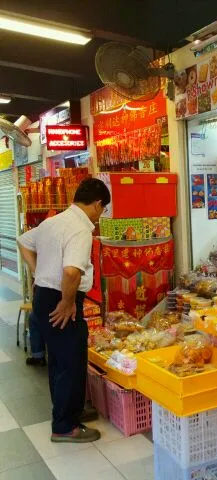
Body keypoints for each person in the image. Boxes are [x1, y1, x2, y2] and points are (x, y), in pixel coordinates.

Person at [17, 178, 111, 443]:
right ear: (97, 204)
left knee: (58, 359)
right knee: (70, 361)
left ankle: (67, 411)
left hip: (45, 296)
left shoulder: (53, 222)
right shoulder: (80, 229)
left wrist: (39, 272)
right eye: (102, 209)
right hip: (62, 299)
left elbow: (23, 241)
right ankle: (65, 426)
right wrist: (67, 302)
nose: (100, 214)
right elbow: (71, 271)